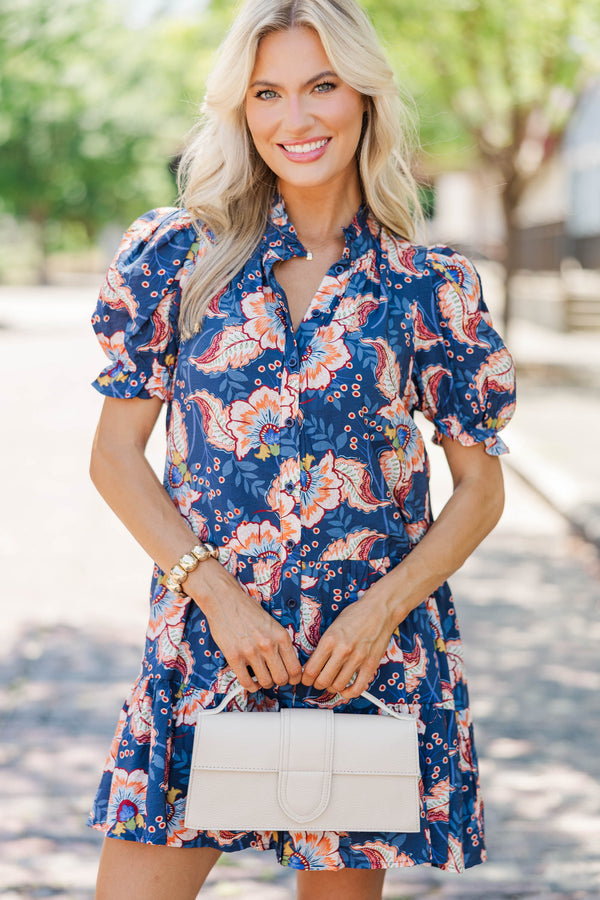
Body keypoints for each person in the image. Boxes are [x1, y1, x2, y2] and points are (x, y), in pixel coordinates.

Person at [87, 0, 516, 897]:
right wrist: (220, 599)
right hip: (211, 644)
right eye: (267, 93)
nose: (296, 118)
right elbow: (116, 458)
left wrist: (380, 613)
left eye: (320, 86)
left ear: (363, 96)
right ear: (240, 112)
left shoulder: (426, 287)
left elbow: (478, 488)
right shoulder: (178, 258)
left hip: (361, 660)